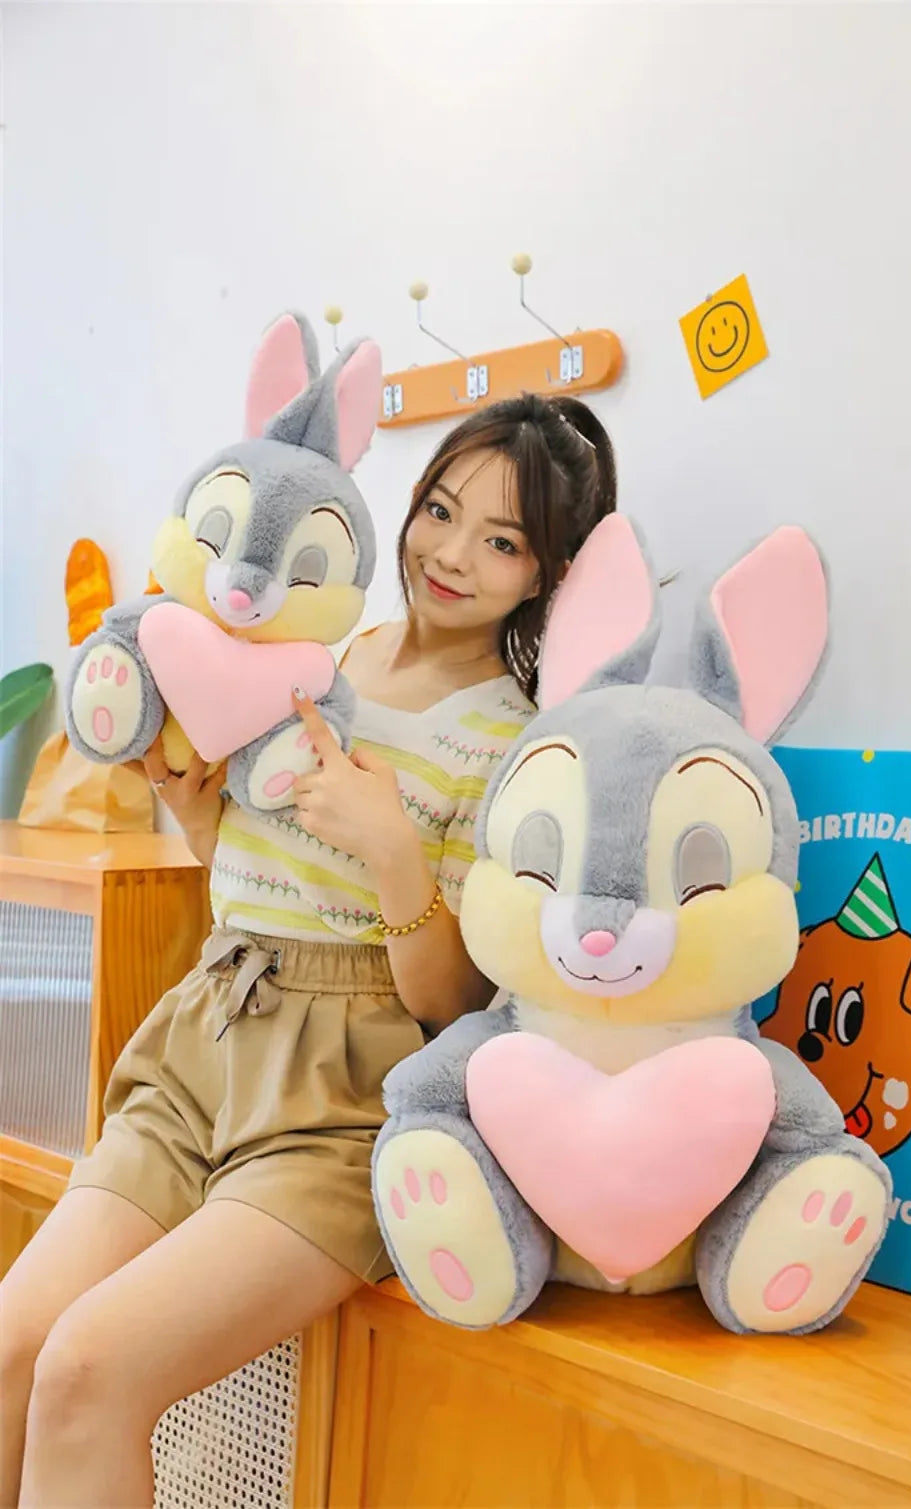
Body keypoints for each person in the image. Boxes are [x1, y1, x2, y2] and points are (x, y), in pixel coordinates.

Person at [0, 391, 616, 1509]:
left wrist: (393, 852)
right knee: (13, 1347)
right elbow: (247, 874)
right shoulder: (316, 650)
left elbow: (455, 1007)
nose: (450, 555)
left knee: (90, 1371)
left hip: (342, 1099)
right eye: (440, 511)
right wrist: (193, 808)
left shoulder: (518, 741)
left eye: (502, 541)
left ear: (547, 573)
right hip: (203, 1042)